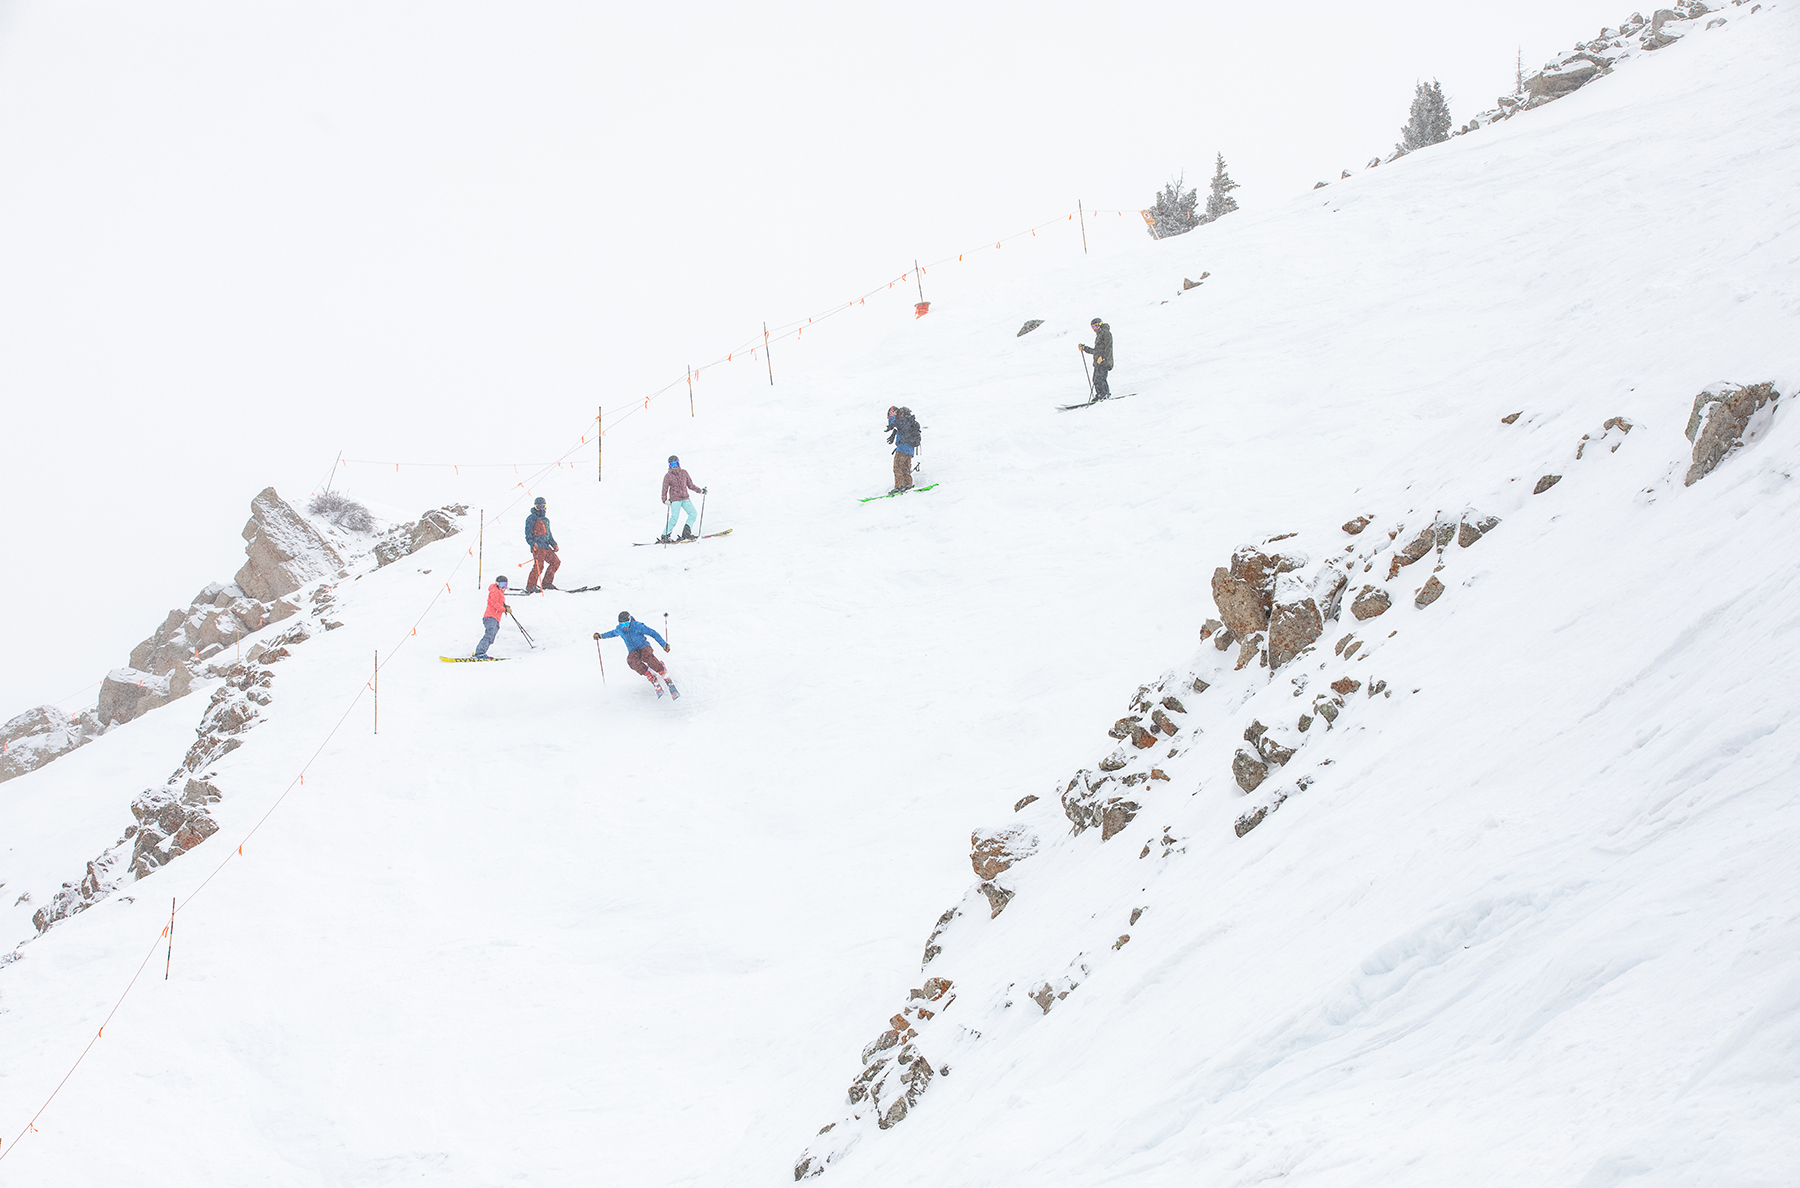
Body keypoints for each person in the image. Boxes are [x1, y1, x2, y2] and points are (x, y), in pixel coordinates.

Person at [598, 610, 676, 696]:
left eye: (626, 624)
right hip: (633, 651)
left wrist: (664, 644)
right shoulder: (619, 630)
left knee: (647, 656)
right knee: (631, 661)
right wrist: (601, 636)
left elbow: (653, 633)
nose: (624, 627)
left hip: (643, 646)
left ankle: (662, 671)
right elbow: (612, 633)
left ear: (630, 621)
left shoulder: (638, 626)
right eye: (622, 625)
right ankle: (650, 676)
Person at [659, 456, 707, 543]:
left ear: (679, 463)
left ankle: (686, 533)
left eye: (676, 463)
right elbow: (664, 489)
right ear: (669, 465)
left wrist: (700, 491)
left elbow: (690, 485)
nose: (674, 466)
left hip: (685, 498)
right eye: (672, 464)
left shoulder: (684, 472)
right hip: (675, 500)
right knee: (674, 517)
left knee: (693, 513)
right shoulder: (668, 476)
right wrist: (664, 499)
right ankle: (665, 535)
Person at [524, 496, 560, 593]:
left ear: (545, 507)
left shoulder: (546, 520)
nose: (540, 508)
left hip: (546, 546)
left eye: (542, 506)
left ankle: (546, 583)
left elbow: (548, 534)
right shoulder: (531, 518)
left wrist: (554, 544)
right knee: (539, 566)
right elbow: (528, 534)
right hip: (538, 547)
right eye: (538, 507)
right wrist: (532, 543)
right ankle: (530, 586)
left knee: (555, 562)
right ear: (535, 507)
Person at [885, 406, 921, 493]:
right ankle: (908, 484)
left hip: (902, 448)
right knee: (905, 467)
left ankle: (900, 486)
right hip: (910, 449)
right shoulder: (909, 421)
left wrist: (892, 416)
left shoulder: (903, 420)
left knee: (898, 466)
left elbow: (892, 423)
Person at [1078, 317, 1114, 399]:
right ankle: (1104, 394)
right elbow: (1096, 351)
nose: (1094, 329)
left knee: (1099, 379)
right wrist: (1084, 348)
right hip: (1099, 361)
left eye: (1096, 326)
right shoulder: (1099, 335)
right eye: (1093, 327)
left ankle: (1102, 394)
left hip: (1104, 361)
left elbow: (1108, 347)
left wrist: (1103, 358)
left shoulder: (1105, 333)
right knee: (1097, 379)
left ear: (1100, 325)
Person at [474, 575, 510, 658]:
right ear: (497, 584)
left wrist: (505, 607)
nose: (503, 587)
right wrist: (504, 610)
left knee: (491, 636)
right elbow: (494, 604)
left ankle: (480, 651)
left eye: (505, 584)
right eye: (501, 584)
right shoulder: (494, 591)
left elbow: (498, 603)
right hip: (490, 617)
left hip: (495, 618)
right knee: (489, 635)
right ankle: (480, 652)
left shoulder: (499, 593)